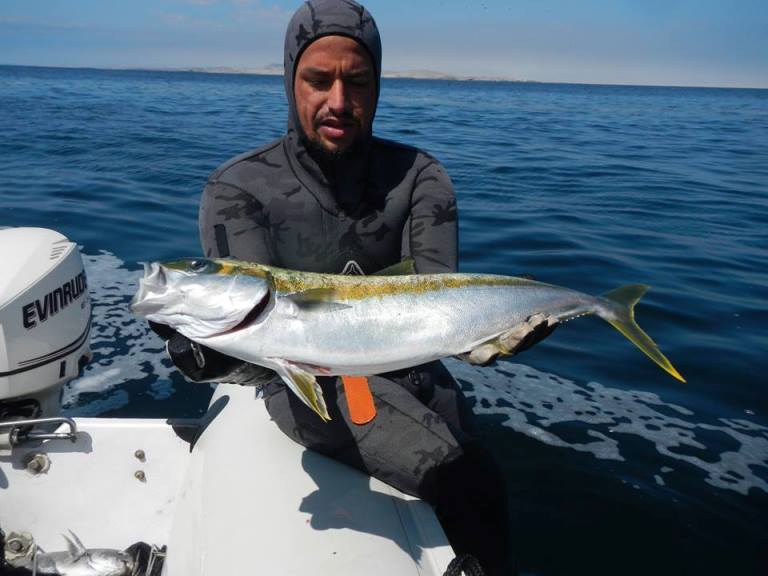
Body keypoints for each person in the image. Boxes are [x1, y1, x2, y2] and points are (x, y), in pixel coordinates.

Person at [157, 1, 555, 574]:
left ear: (378, 85)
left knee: (480, 483)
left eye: (358, 82)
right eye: (318, 80)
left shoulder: (420, 176)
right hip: (310, 385)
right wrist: (208, 356)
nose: (339, 102)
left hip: (415, 367)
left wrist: (484, 340)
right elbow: (255, 335)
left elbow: (441, 304)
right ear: (290, 79)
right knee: (469, 480)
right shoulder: (239, 188)